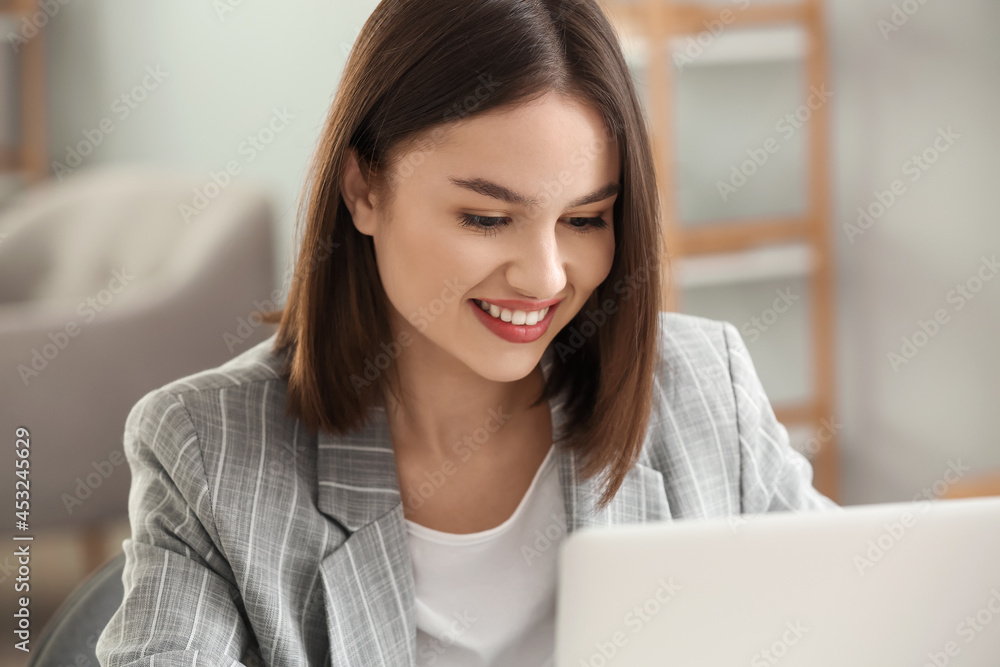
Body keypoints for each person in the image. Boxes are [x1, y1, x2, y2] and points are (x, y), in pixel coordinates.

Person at [96, 0, 839, 665]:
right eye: (486, 218)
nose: (546, 277)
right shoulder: (207, 450)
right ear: (364, 189)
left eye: (584, 220)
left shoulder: (705, 388)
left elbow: (853, 619)